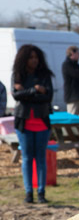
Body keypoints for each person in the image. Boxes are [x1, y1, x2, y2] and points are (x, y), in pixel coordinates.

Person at [12, 44, 54, 204]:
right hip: (24, 122)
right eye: (31, 57)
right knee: (28, 158)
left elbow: (48, 97)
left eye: (36, 57)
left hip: (42, 121)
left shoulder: (44, 74)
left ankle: (41, 192)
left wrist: (26, 92)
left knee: (41, 158)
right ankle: (28, 193)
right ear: (24, 58)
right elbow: (16, 96)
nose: (34, 60)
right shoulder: (18, 74)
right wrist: (35, 90)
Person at [62, 46, 79, 116]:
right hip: (72, 96)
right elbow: (78, 75)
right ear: (72, 53)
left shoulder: (75, 64)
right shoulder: (67, 65)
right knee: (72, 116)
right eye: (78, 53)